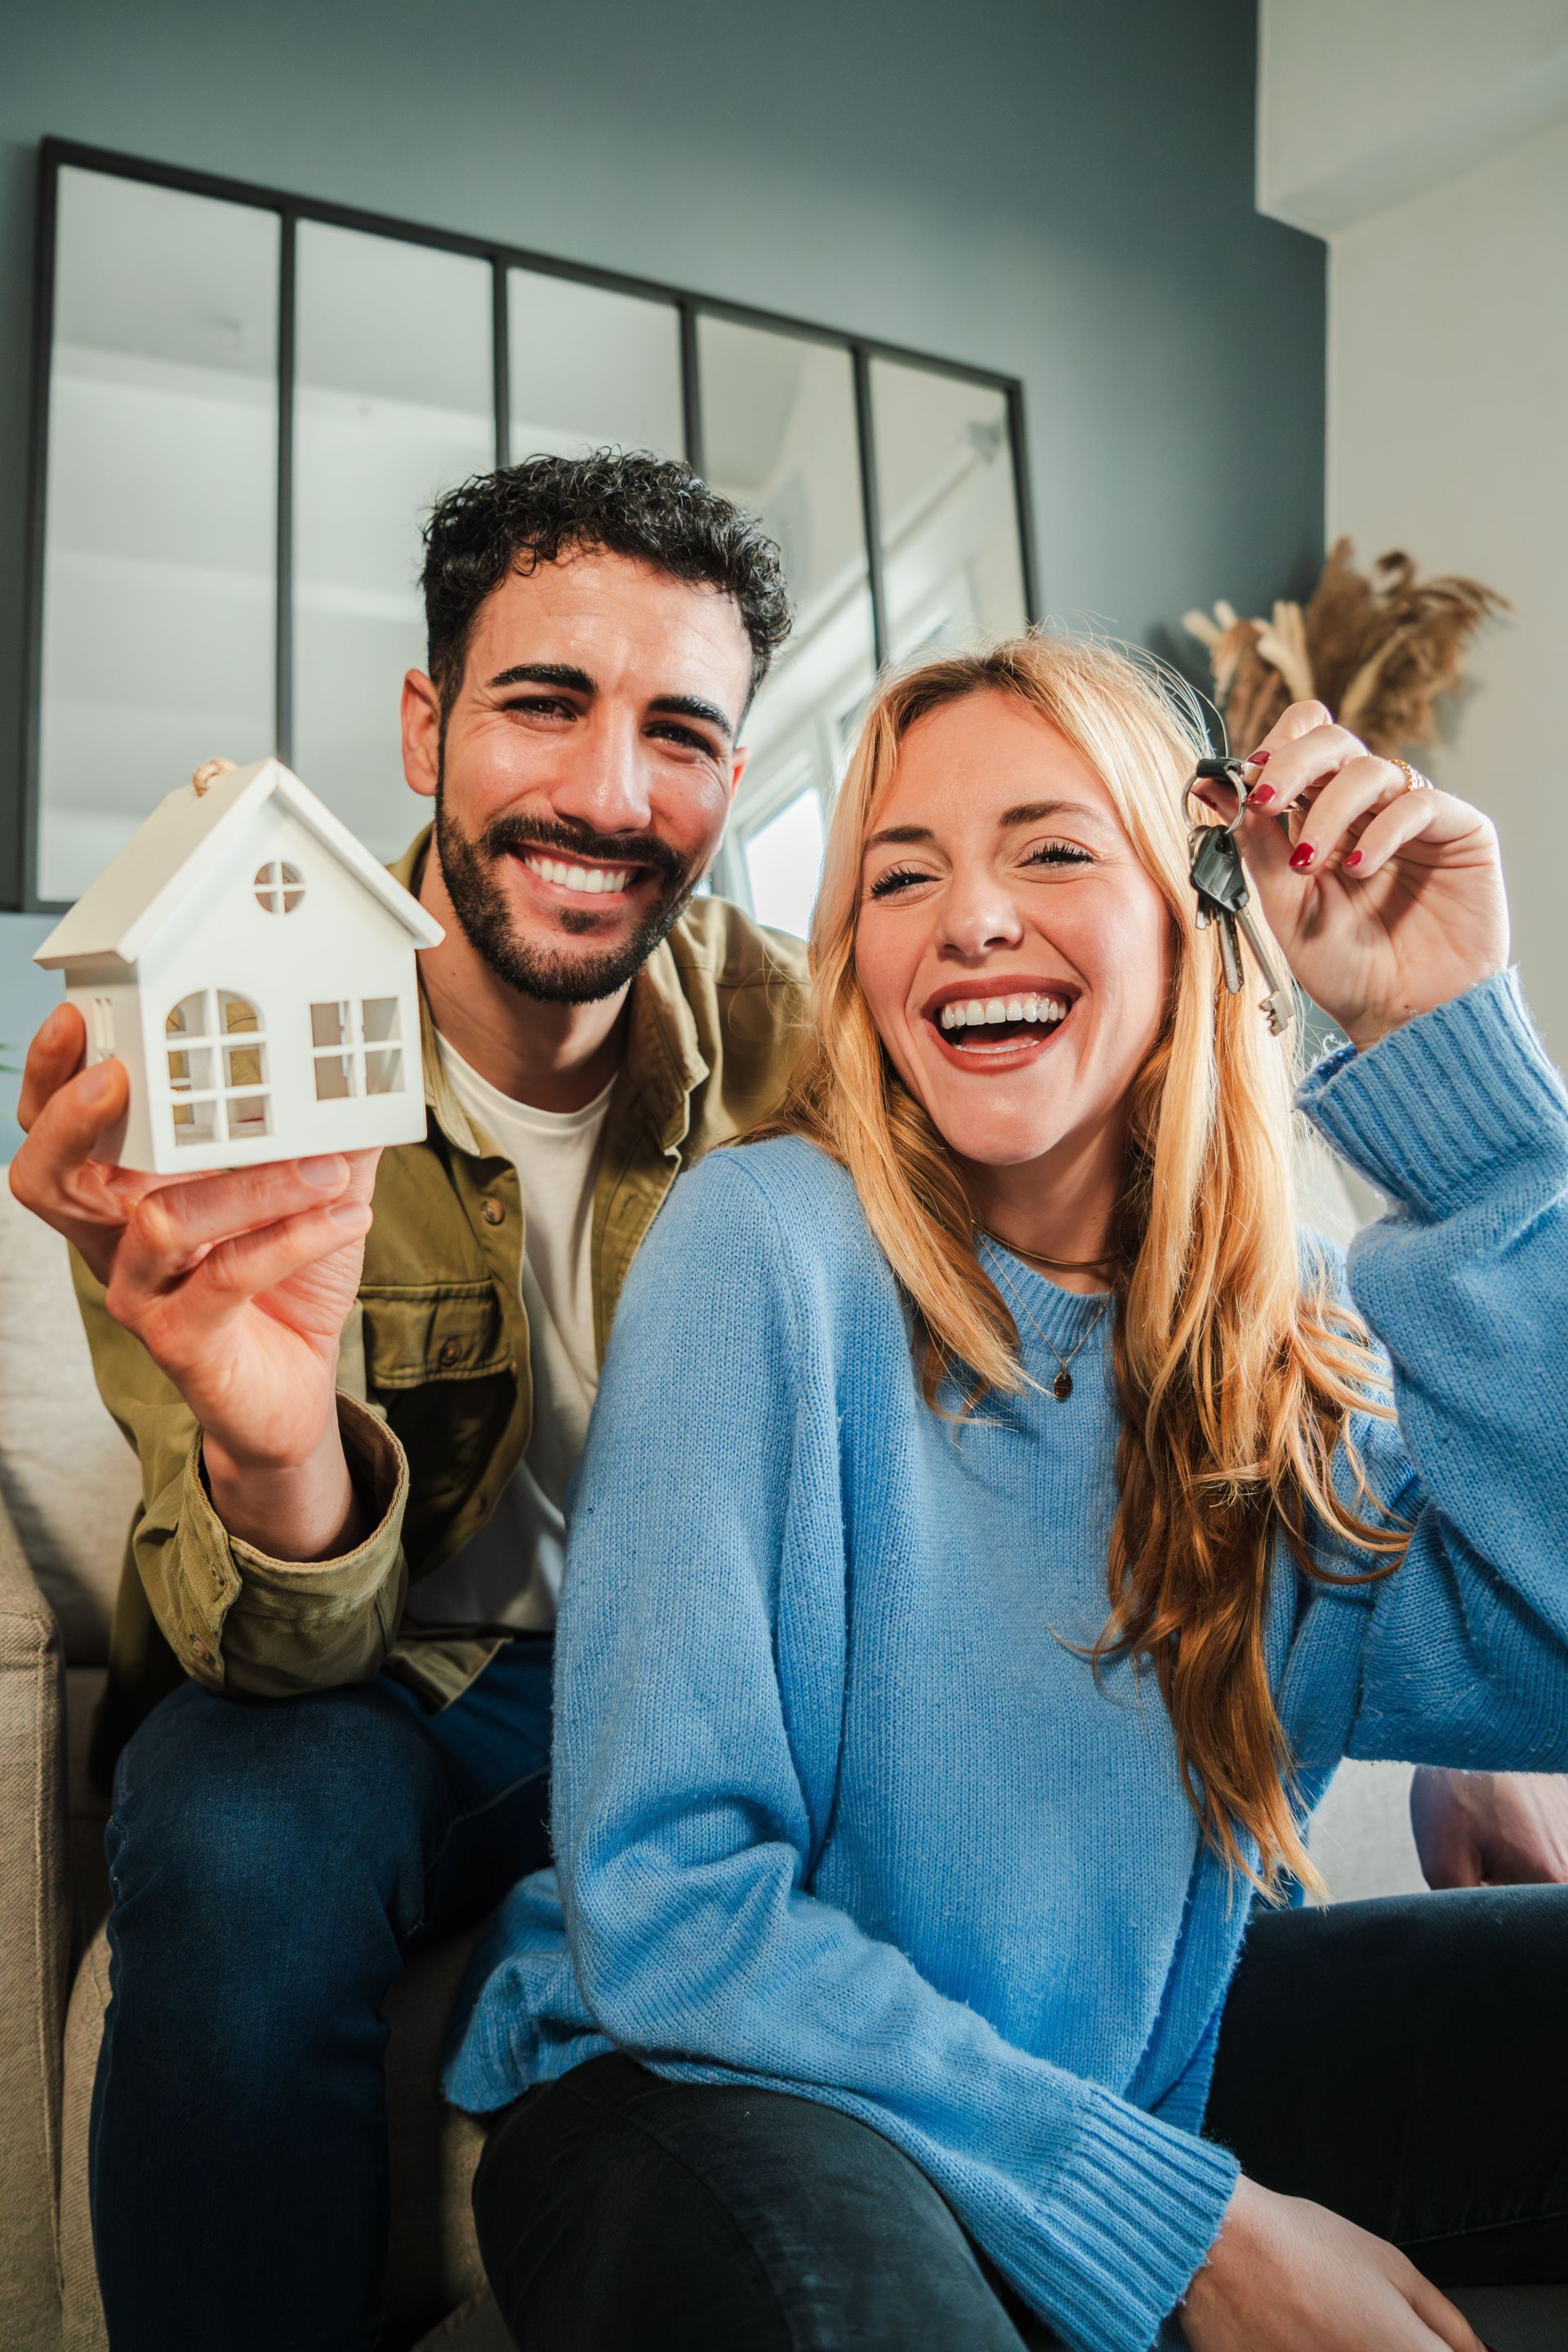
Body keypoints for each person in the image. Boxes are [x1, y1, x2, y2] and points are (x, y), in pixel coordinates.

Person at [449, 635, 1568, 2352]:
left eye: (1051, 848)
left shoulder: (1290, 1325)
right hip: (703, 2078)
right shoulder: (766, 1251)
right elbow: (673, 1912)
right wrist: (1189, 2231)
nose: (970, 918)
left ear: (1197, 910)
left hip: (1118, 2066)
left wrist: (1461, 1100)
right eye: (904, 874)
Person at [8, 452, 807, 2352]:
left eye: (680, 733)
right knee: (235, 1824)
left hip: (712, 1680)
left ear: (736, 778)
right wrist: (281, 1440)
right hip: (380, 1686)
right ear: (427, 723)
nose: (611, 797)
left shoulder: (815, 1047)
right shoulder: (215, 1035)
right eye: (546, 704)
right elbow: (258, 1639)